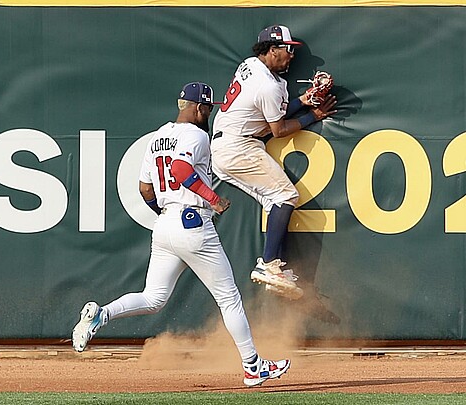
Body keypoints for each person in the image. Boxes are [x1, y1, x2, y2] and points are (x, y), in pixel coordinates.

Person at [72, 82, 290, 387]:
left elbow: (146, 189)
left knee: (154, 297)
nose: (210, 113)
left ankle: (101, 315)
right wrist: (213, 199)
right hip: (193, 223)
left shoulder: (158, 136)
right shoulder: (196, 135)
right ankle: (253, 367)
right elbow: (180, 169)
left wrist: (166, 211)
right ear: (198, 108)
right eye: (208, 108)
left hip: (164, 225)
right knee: (229, 300)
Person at [211, 25, 337, 300]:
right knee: (286, 195)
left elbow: (269, 112)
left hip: (228, 145)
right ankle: (269, 265)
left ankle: (275, 268)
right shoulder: (268, 84)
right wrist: (312, 115)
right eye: (286, 49)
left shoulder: (251, 66)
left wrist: (303, 100)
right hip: (238, 145)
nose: (291, 55)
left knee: (274, 201)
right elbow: (277, 129)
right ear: (271, 50)